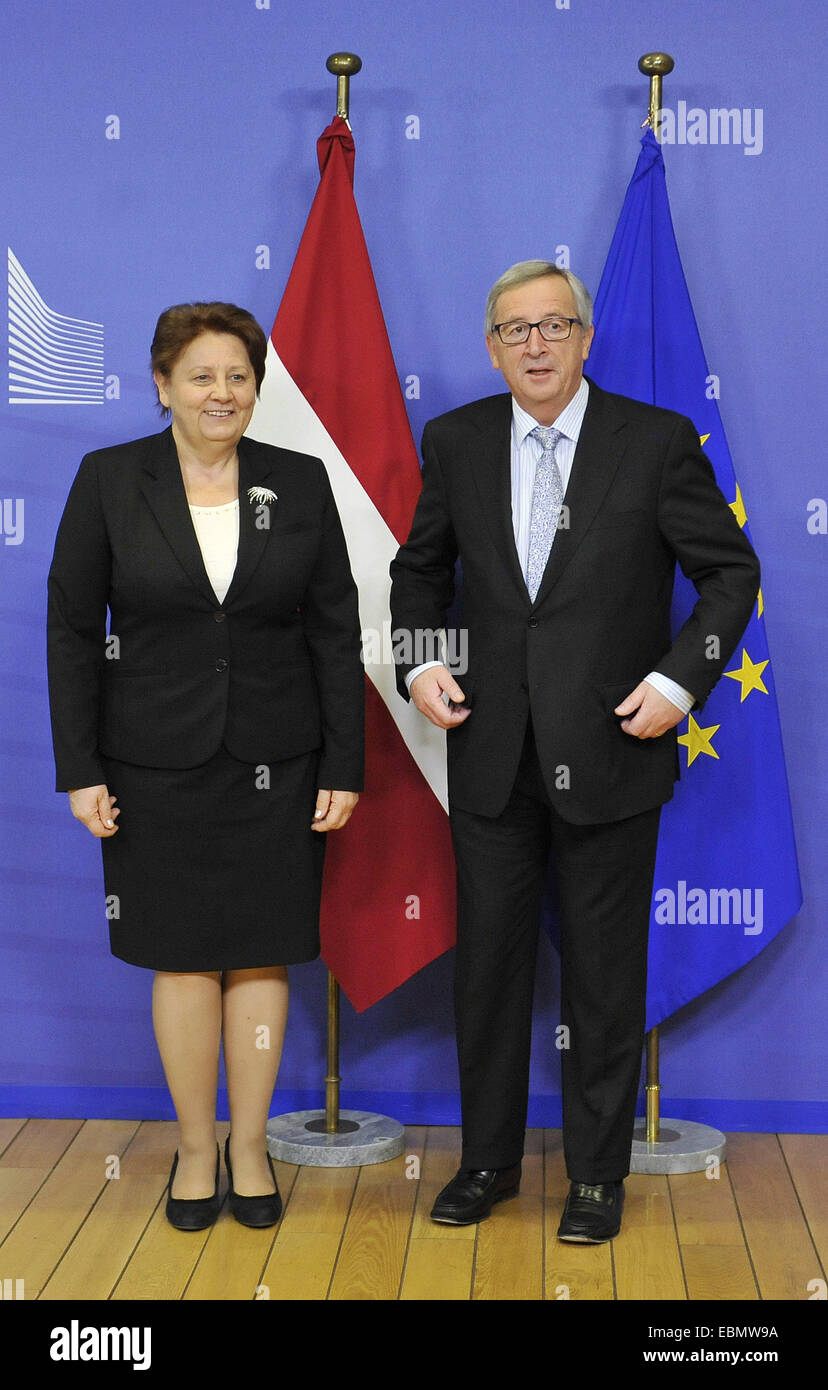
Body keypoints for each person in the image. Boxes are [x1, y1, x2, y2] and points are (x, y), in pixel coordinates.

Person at [389, 260, 759, 1242]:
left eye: (556, 326)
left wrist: (679, 685)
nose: (538, 344)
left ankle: (597, 1179)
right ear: (493, 347)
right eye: (517, 330)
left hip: (611, 750)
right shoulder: (458, 440)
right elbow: (419, 576)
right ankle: (486, 1164)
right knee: (490, 975)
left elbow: (729, 574)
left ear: (586, 339)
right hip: (491, 755)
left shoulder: (654, 441)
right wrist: (422, 668)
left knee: (603, 978)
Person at [47, 302, 364, 1231]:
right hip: (151, 763)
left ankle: (251, 1145)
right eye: (201, 375)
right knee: (181, 958)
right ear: (162, 386)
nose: (221, 392)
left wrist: (343, 763)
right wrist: (80, 768)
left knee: (261, 952)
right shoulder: (109, 480)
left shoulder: (299, 482)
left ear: (256, 389)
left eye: (237, 376)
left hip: (279, 757)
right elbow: (73, 634)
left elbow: (337, 632)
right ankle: (195, 1148)